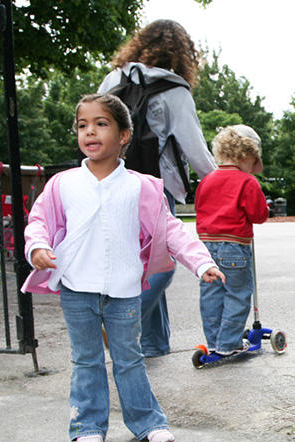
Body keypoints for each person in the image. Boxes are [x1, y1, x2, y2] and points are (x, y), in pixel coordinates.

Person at [21, 93, 225, 442]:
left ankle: (147, 421)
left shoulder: (141, 187)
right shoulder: (62, 184)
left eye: (101, 124)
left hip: (125, 289)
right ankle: (88, 425)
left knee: (129, 358)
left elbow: (171, 230)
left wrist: (202, 262)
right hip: (76, 287)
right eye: (83, 125)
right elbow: (39, 221)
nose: (90, 132)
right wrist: (37, 247)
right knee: (86, 360)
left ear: (124, 135)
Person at [98, 19, 217, 357]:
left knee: (144, 263)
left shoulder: (113, 80)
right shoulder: (174, 90)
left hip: (113, 182)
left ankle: (152, 346)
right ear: (181, 54)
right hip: (153, 187)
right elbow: (196, 152)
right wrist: (223, 179)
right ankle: (120, 321)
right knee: (162, 266)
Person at [195, 125, 270, 356]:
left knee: (212, 294)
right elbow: (258, 215)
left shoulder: (206, 180)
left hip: (206, 246)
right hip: (234, 246)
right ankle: (229, 344)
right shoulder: (246, 182)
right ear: (246, 156)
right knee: (237, 294)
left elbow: (200, 209)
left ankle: (215, 341)